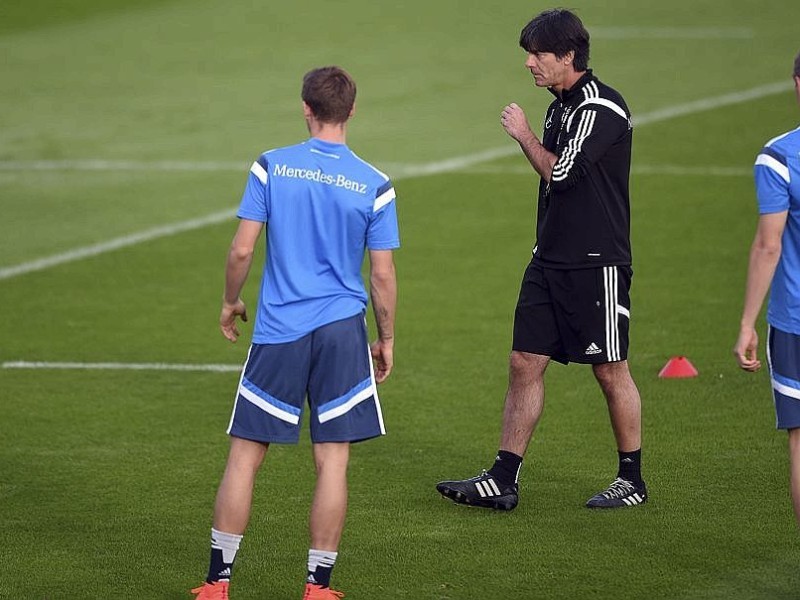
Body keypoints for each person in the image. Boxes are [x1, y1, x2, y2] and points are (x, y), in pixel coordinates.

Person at [190, 66, 399, 600]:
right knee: (332, 459)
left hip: (280, 329)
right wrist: (386, 337)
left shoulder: (271, 167)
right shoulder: (375, 184)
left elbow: (241, 248)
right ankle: (318, 587)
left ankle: (217, 583)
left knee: (244, 456)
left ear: (306, 108)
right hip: (342, 333)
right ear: (352, 111)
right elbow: (381, 275)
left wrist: (231, 301)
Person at [436, 8, 646, 511]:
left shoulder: (600, 108)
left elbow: (562, 174)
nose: (530, 63)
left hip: (596, 264)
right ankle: (503, 478)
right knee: (524, 361)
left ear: (568, 56)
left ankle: (631, 478)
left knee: (609, 369)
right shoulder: (560, 106)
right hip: (549, 260)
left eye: (538, 54)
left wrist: (523, 135)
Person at [733, 51, 800, 528]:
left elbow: (768, 246)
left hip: (794, 320)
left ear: (796, 84)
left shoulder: (779, 157)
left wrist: (745, 323)